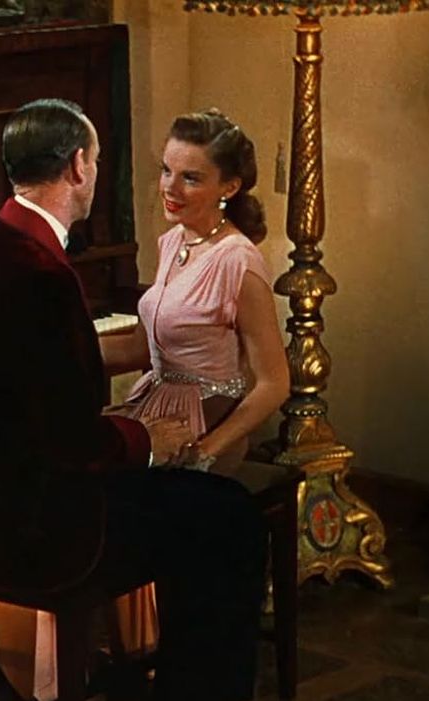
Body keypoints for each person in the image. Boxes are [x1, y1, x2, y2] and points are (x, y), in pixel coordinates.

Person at [0, 99, 267, 701]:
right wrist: (145, 436)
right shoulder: (39, 270)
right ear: (79, 165)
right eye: (98, 160)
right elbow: (70, 438)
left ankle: (139, 692)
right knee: (227, 517)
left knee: (198, 506)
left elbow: (38, 390)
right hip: (36, 520)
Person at [103, 109, 290, 655]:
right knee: (81, 468)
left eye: (191, 178)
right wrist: (57, 353)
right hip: (154, 403)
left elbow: (274, 382)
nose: (170, 188)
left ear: (228, 187)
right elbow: (142, 347)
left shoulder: (238, 262)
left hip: (211, 418)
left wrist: (210, 448)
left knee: (121, 498)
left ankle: (162, 657)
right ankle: (115, 653)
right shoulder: (173, 243)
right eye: (167, 171)